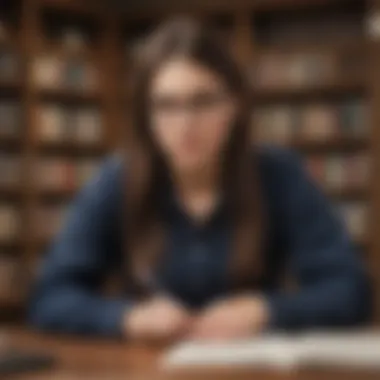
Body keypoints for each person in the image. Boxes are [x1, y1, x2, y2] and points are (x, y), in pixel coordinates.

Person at [29, 17, 372, 342]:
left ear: (234, 106)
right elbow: (50, 296)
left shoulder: (279, 174)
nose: (185, 123)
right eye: (166, 105)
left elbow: (349, 290)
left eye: (203, 101)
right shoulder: (117, 180)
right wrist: (127, 318)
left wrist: (265, 310)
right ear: (146, 117)